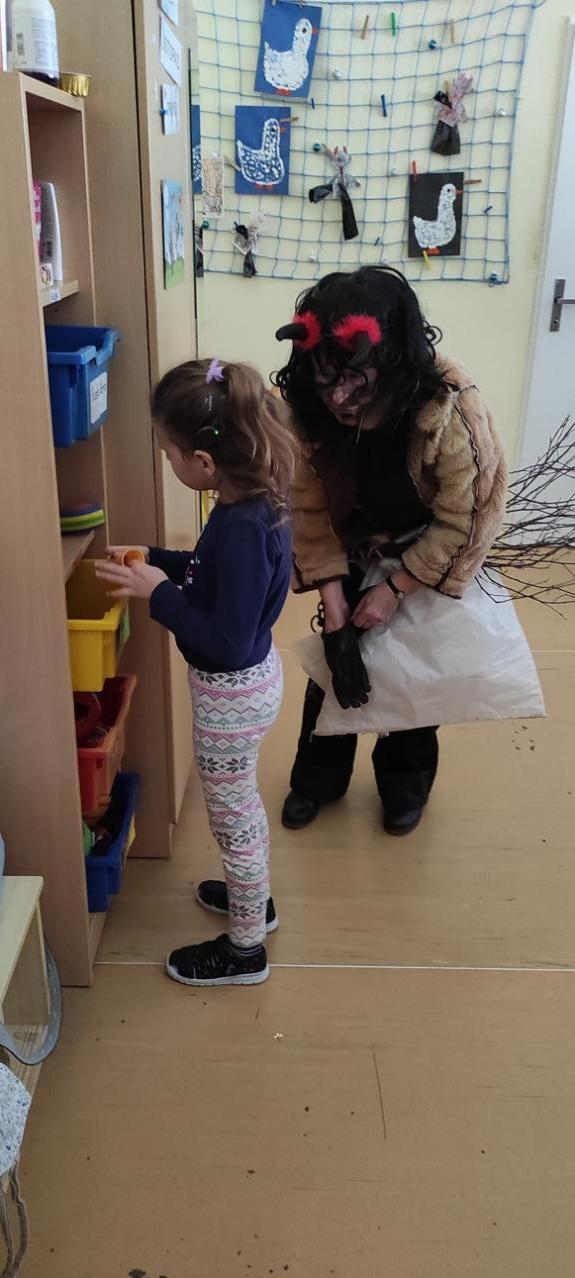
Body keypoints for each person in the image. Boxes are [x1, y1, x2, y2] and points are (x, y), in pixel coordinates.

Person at [274, 265, 508, 836]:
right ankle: (318, 780)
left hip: (421, 550)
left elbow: (469, 518)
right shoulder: (305, 410)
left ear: (395, 363)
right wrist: (334, 603)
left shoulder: (450, 408)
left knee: (411, 672)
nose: (339, 398)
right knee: (335, 668)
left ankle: (405, 783)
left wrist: (397, 588)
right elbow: (306, 510)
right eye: (326, 380)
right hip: (352, 543)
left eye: (357, 383)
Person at [96, 359, 295, 987]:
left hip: (231, 698)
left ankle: (245, 950)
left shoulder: (242, 527)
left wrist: (158, 595)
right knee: (240, 812)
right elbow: (208, 572)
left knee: (235, 823)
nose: (169, 463)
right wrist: (154, 560)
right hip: (250, 686)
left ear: (203, 463)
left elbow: (226, 641)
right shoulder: (249, 505)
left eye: (169, 455)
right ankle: (252, 903)